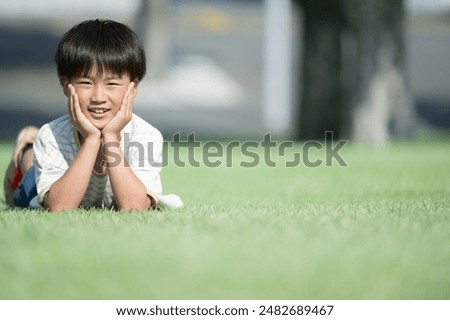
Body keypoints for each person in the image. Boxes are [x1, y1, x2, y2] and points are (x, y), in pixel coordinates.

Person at [3, 19, 183, 211]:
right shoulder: (52, 136)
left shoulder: (146, 136)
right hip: (49, 182)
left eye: (112, 84)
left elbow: (135, 207)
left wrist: (111, 138)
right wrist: (91, 140)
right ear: (66, 85)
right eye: (86, 83)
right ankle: (27, 151)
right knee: (26, 192)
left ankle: (31, 144)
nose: (98, 97)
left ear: (133, 87)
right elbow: (59, 207)